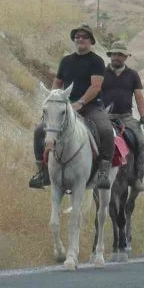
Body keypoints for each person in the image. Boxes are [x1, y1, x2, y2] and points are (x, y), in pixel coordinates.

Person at [29, 23, 114, 190]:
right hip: (65, 107)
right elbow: (58, 82)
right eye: (77, 37)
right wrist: (54, 99)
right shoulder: (66, 61)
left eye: (84, 37)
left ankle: (103, 172)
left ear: (91, 41)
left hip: (91, 106)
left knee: (106, 130)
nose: (80, 39)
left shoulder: (97, 61)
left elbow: (95, 86)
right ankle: (41, 172)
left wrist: (80, 103)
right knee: (39, 130)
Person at [101, 41, 144, 192]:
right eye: (114, 54)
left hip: (125, 117)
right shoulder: (101, 72)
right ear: (110, 55)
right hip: (104, 116)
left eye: (120, 55)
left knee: (142, 143)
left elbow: (139, 96)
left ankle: (136, 177)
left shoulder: (133, 75)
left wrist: (143, 116)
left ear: (125, 57)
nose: (117, 57)